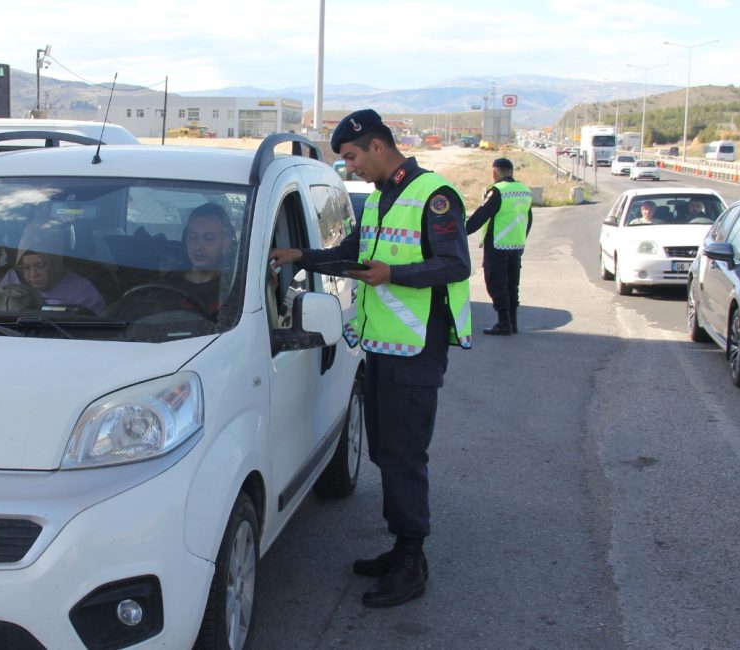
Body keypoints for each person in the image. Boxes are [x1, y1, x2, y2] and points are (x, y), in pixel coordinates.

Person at [269, 109, 472, 608]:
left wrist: (393, 276)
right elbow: (357, 252)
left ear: (379, 146)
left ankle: (411, 561)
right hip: (383, 346)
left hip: (416, 351)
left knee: (404, 457)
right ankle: (401, 547)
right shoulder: (383, 198)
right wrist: (302, 258)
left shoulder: (434, 195)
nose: (350, 166)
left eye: (353, 156)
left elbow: (455, 264)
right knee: (385, 451)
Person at [465, 158, 533, 335]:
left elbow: (481, 216)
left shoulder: (498, 191)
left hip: (498, 244)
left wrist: (459, 232)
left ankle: (503, 323)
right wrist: (522, 238)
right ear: (511, 172)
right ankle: (512, 322)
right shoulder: (524, 191)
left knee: (497, 283)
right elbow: (529, 218)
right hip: (516, 245)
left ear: (494, 173)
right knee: (512, 284)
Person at [0, 226, 106, 314]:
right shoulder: (12, 278)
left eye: (40, 266)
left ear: (55, 264)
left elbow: (97, 326)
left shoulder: (83, 290)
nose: (33, 275)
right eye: (25, 267)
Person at [167, 202, 234, 316]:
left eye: (208, 238)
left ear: (225, 243)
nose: (198, 246)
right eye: (192, 237)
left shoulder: (236, 287)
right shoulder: (167, 284)